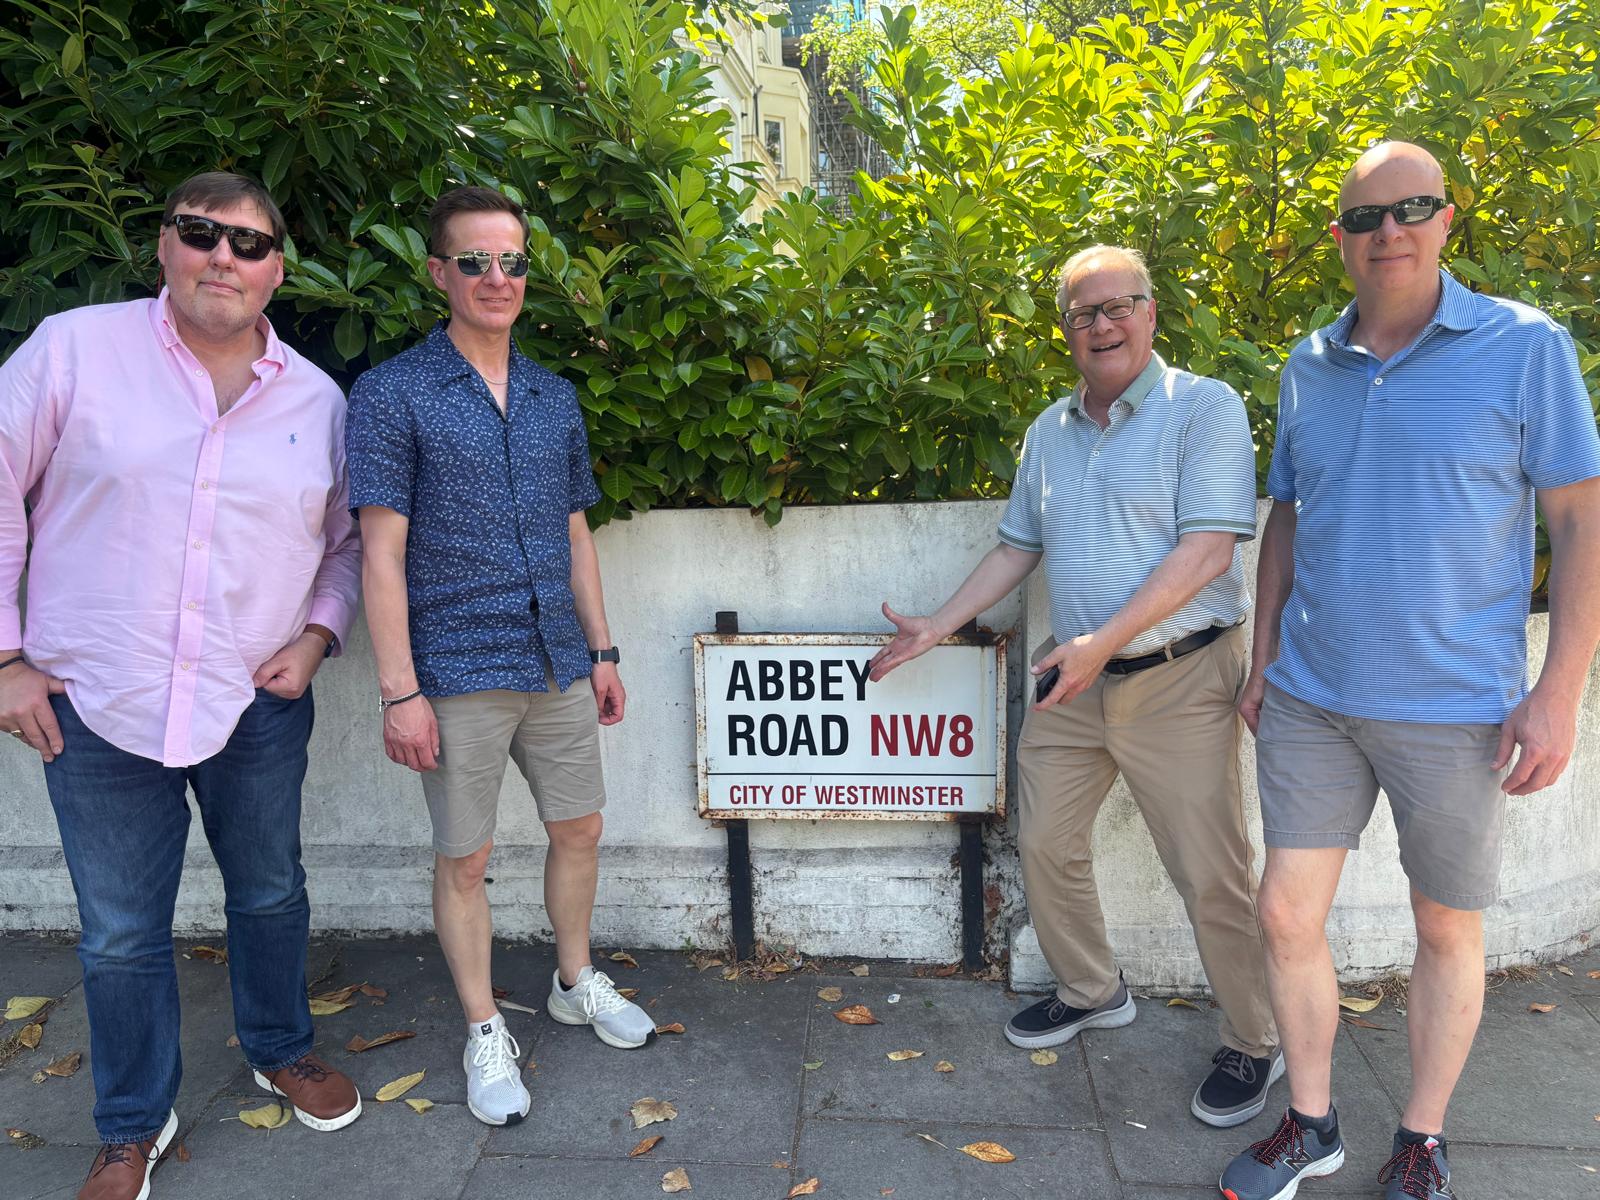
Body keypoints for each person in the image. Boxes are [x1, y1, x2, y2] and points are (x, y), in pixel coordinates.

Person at [1219, 142, 1600, 1200]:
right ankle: (1311, 1124)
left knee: (1443, 926)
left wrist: (1558, 691)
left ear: (1445, 222)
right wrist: (1264, 658)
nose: (1388, 230)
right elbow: (1287, 517)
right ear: (1340, 237)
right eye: (1365, 216)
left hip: (1456, 707)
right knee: (1284, 914)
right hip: (1312, 699)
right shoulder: (1309, 364)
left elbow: (1579, 522)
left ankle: (1421, 1138)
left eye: (1411, 208)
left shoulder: (1525, 347)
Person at [0, 172, 363, 1200]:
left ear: (278, 270)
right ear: (162, 245)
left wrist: (320, 635)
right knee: (119, 932)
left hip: (255, 699)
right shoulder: (72, 351)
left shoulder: (317, 401)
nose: (223, 257)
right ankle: (130, 1123)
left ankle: (279, 1046)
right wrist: (5, 659)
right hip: (95, 700)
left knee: (271, 890)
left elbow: (344, 545)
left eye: (250, 243)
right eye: (202, 233)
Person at [871, 244, 1282, 1128]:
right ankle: (1094, 990)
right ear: (1065, 330)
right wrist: (939, 625)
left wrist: (1106, 643)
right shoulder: (1049, 431)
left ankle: (1257, 1039)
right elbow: (1018, 548)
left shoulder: (1204, 407)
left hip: (1180, 675)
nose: (1103, 325)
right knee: (1047, 842)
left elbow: (1208, 552)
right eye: (1083, 313)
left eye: (1118, 305)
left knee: (1210, 874)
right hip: (1073, 678)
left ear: (1151, 313)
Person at [347, 184, 650, 1130]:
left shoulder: (555, 396)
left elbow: (576, 531)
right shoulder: (392, 393)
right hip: (456, 664)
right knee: (466, 857)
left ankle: (573, 980)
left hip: (556, 656)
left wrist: (602, 649)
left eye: (511, 261)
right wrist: (399, 691)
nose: (496, 278)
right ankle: (484, 1028)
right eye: (474, 261)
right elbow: (380, 553)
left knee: (580, 829)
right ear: (438, 272)